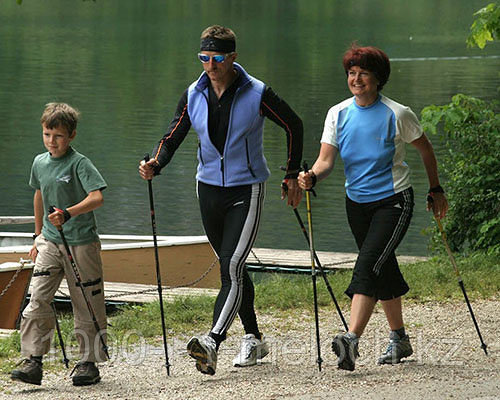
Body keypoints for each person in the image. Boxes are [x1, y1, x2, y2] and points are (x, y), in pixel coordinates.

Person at [139, 25, 303, 375]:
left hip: (247, 189)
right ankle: (254, 338)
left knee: (230, 266)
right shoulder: (193, 93)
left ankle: (212, 341)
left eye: (216, 58)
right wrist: (156, 163)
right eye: (204, 58)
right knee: (233, 267)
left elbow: (294, 125)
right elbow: (172, 136)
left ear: (232, 58)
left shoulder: (257, 92)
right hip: (208, 190)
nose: (209, 65)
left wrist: (291, 175)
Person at [298, 44, 448, 371]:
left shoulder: (398, 113)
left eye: (363, 73)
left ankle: (351, 339)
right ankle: (400, 339)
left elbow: (425, 150)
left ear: (378, 78)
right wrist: (311, 177)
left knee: (367, 265)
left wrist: (435, 188)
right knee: (383, 266)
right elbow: (325, 161)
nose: (356, 79)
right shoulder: (337, 114)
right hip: (357, 204)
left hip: (394, 201)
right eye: (352, 73)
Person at [11, 103, 108, 386]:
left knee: (87, 303)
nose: (52, 142)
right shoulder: (39, 162)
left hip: (82, 243)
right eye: (47, 134)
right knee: (37, 298)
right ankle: (33, 361)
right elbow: (39, 195)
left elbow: (97, 198)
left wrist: (68, 212)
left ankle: (88, 363)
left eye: (58, 136)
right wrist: (37, 235)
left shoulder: (80, 163)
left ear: (72, 136)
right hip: (51, 242)